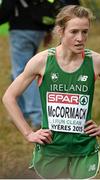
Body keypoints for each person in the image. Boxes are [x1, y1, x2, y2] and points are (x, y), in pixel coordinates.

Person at [2, 5, 100, 179]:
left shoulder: (96, 62)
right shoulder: (42, 61)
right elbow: (9, 97)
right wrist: (28, 133)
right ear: (60, 31)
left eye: (85, 32)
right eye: (74, 32)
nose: (80, 38)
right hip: (51, 148)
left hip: (84, 149)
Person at [0, 0, 80, 129]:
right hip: (38, 30)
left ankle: (37, 117)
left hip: (20, 30)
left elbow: (6, 9)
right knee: (22, 71)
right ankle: (21, 114)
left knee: (24, 73)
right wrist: (47, 30)